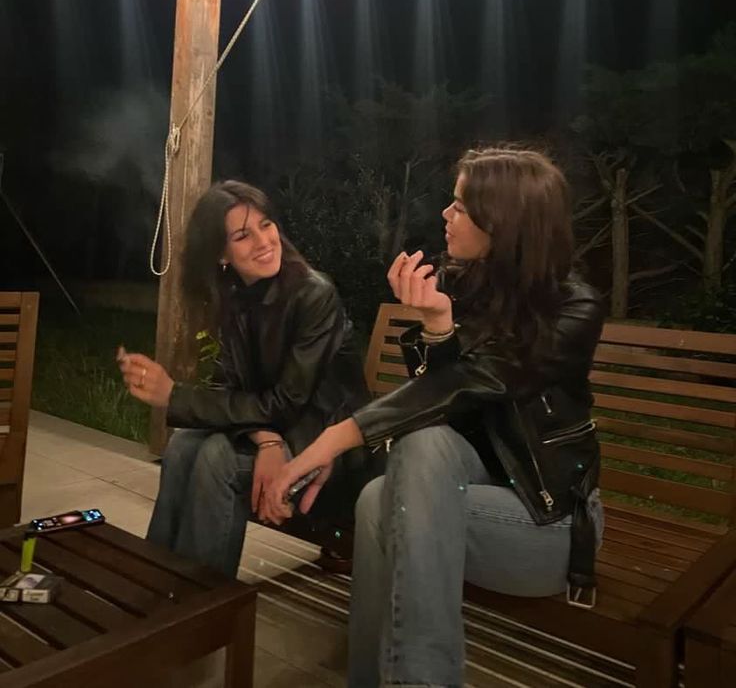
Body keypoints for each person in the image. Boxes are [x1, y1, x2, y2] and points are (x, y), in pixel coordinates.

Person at [265, 146, 605, 688]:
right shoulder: (466, 287)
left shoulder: (573, 309)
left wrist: (332, 441)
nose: (445, 216)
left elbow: (470, 385)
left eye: (460, 207)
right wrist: (437, 324)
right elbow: (448, 410)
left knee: (390, 492)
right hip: (449, 496)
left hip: (545, 523)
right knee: (388, 487)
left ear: (504, 222)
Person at [118, 180, 371, 578]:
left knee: (218, 459)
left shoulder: (314, 294)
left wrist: (174, 395)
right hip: (281, 429)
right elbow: (228, 389)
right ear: (221, 254)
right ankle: (157, 582)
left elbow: (289, 402)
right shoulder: (236, 297)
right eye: (242, 235)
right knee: (185, 444)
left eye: (266, 225)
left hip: (328, 447)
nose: (263, 241)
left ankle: (202, 606)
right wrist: (266, 439)